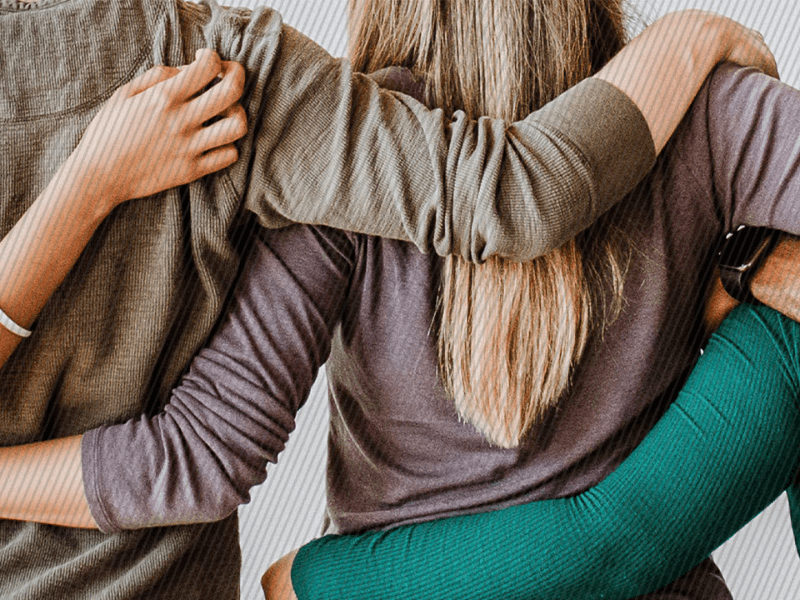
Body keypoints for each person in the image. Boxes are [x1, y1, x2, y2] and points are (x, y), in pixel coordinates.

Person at [0, 2, 777, 599]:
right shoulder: (713, 114)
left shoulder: (321, 137)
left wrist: (331, 581)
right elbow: (513, 193)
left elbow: (200, 455)